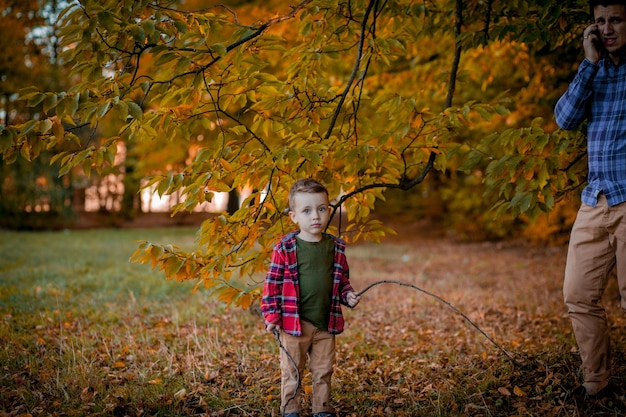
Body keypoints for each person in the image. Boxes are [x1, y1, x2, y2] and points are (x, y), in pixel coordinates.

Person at [554, 0, 626, 400]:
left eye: (615, 19)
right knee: (577, 294)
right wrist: (589, 63)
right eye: (601, 21)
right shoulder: (594, 70)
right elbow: (564, 119)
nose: (607, 28)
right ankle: (596, 382)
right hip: (595, 199)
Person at [261, 178, 360, 417]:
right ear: (294, 216)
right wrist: (272, 316)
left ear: (328, 210)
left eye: (321, 209)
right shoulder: (285, 248)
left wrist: (348, 296)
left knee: (323, 370)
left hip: (325, 323)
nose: (315, 216)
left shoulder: (335, 248)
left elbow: (342, 281)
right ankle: (291, 409)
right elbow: (272, 284)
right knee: (292, 370)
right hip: (293, 324)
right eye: (306, 211)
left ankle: (322, 409)